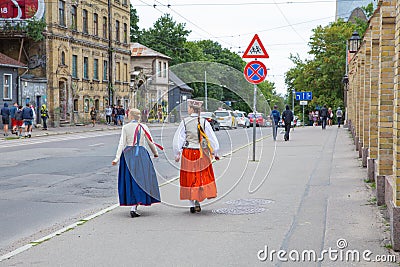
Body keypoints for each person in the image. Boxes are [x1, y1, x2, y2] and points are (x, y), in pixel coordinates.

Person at [112, 108, 162, 218]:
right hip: (141, 155)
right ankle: (136, 203)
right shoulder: (144, 127)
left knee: (131, 179)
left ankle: (133, 204)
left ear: (131, 116)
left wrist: (116, 158)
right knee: (142, 178)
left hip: (128, 155)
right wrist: (155, 153)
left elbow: (122, 143)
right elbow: (150, 142)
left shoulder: (125, 127)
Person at [173, 99, 220, 213]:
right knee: (200, 177)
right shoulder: (204, 122)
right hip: (201, 153)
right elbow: (211, 138)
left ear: (192, 109)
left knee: (189, 177)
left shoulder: (185, 122)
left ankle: (191, 204)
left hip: (188, 152)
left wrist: (177, 153)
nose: (188, 109)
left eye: (189, 108)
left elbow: (178, 139)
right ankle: (198, 201)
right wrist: (215, 152)